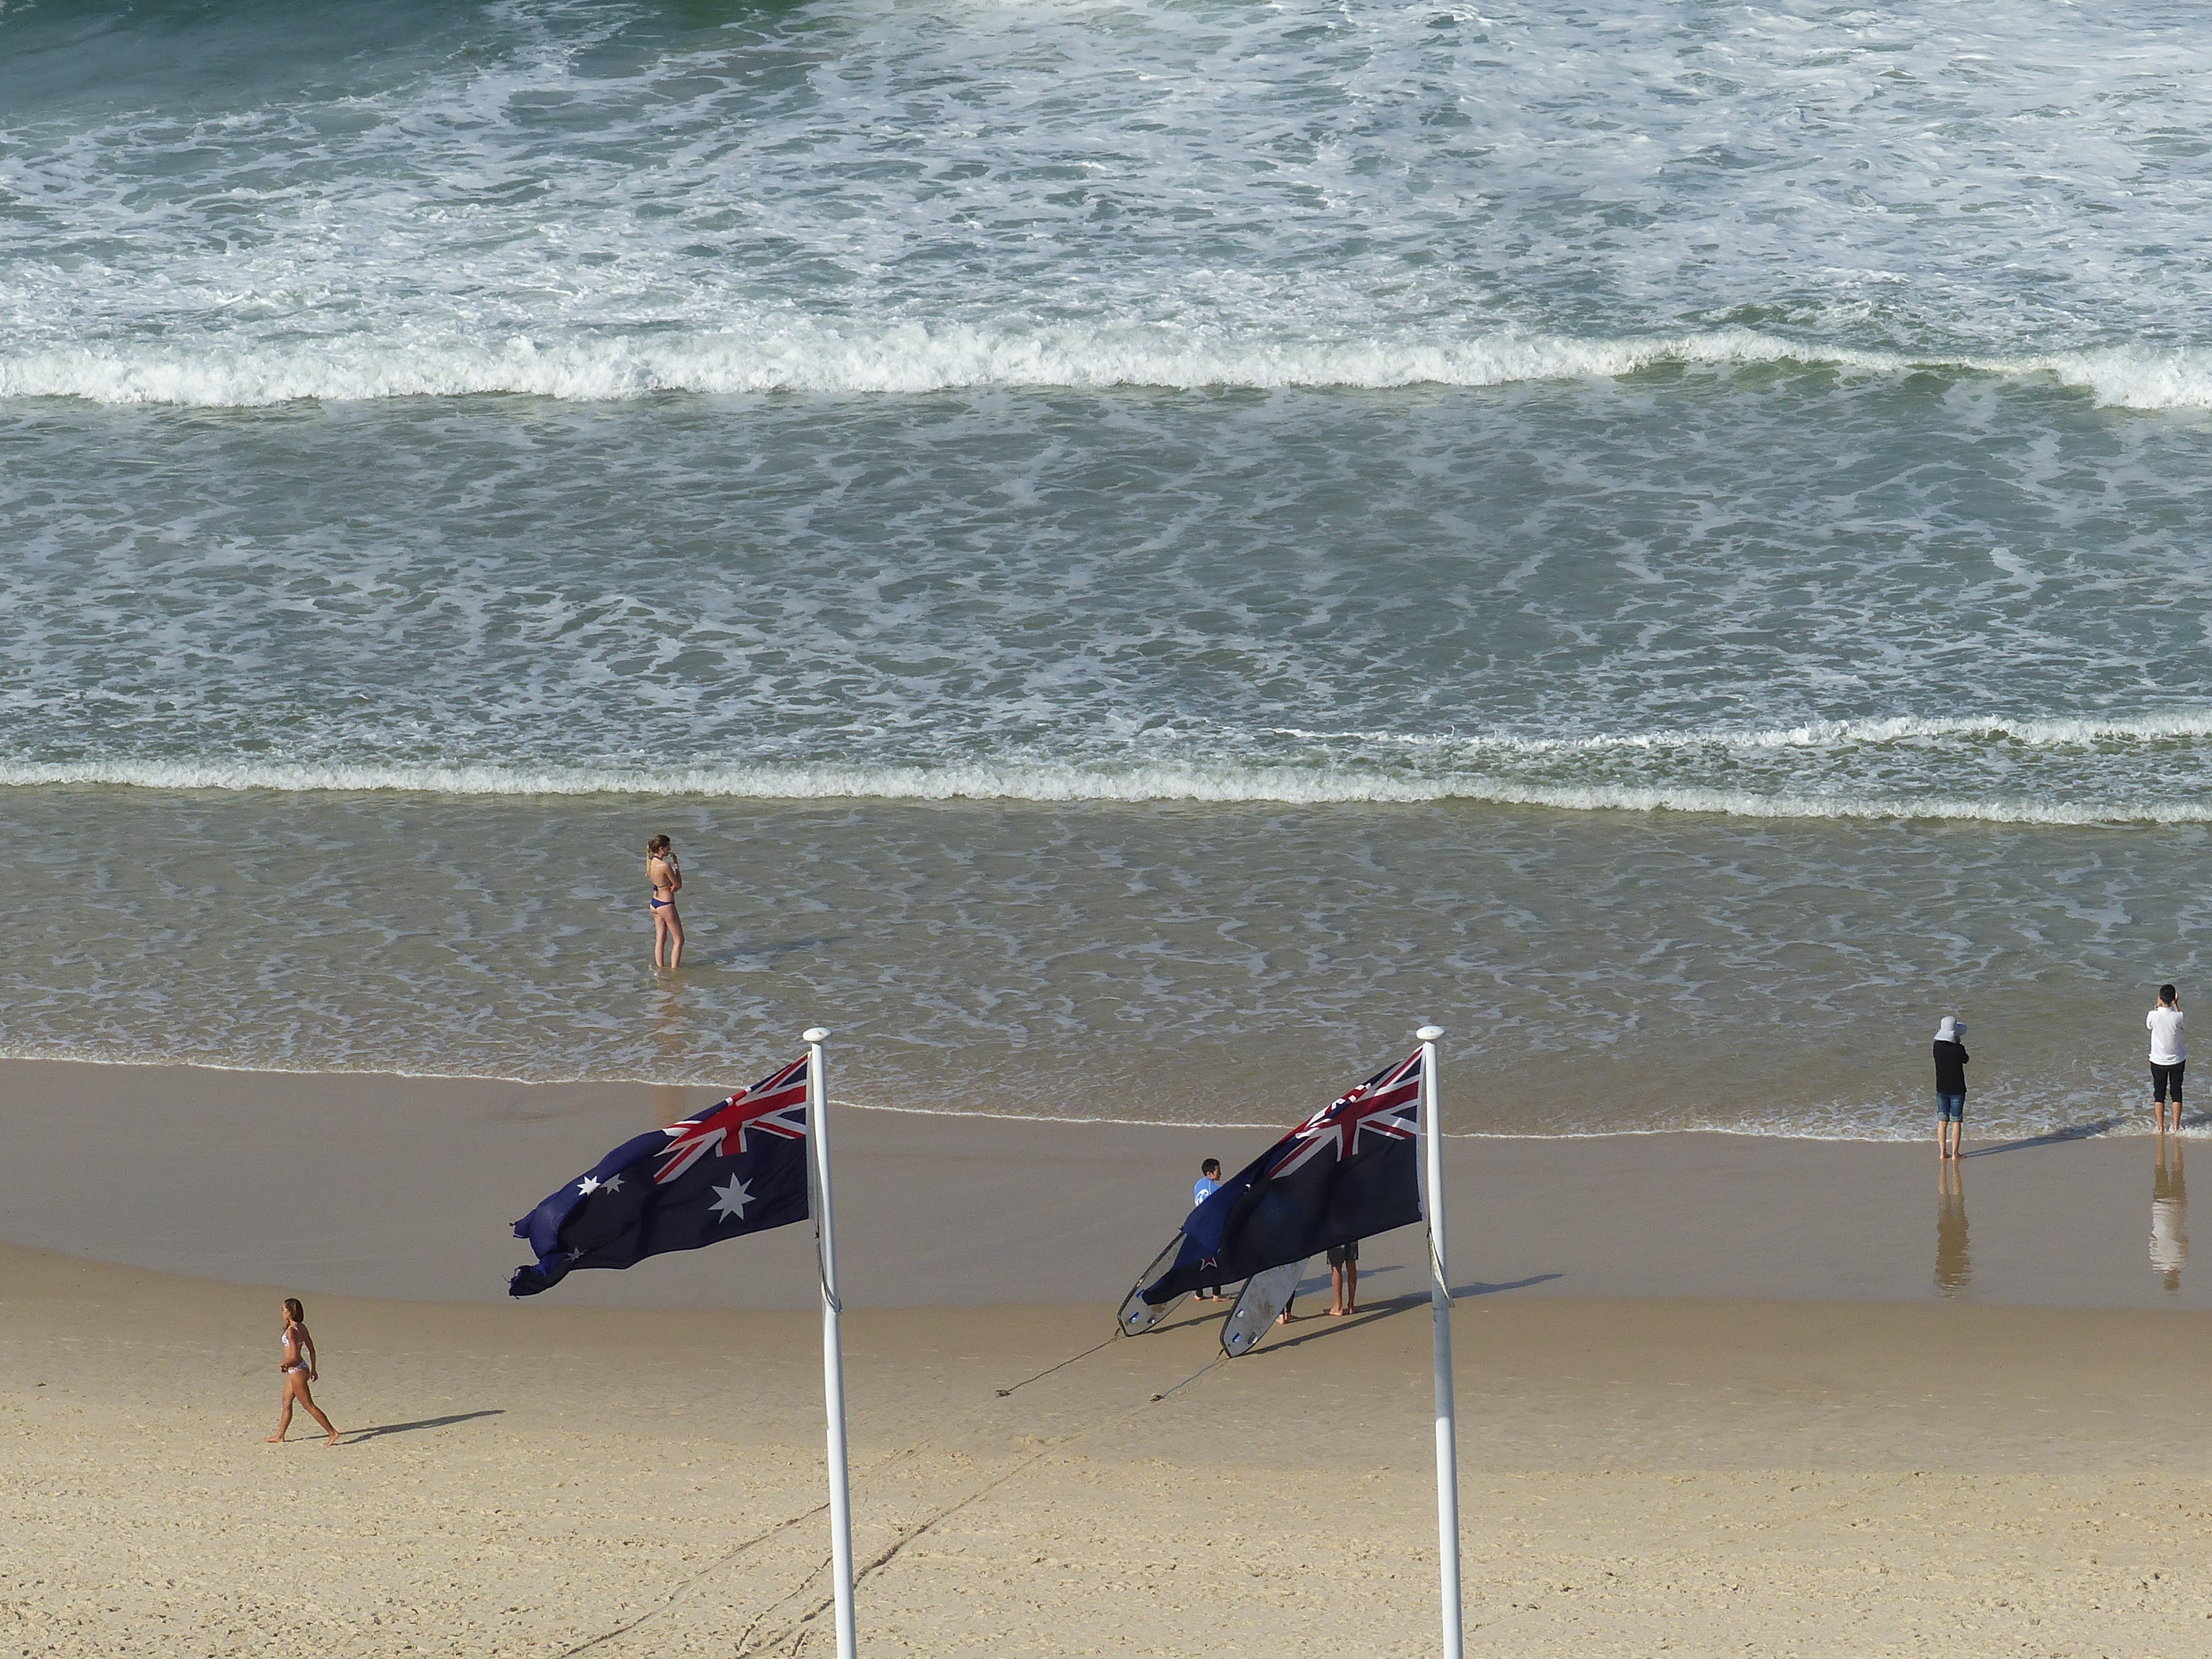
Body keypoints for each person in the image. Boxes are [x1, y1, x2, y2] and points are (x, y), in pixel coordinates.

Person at [267, 1297, 339, 1447]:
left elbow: (294, 1357)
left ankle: (332, 1433)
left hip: (297, 1371)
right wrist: (313, 1368)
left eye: (284, 1310)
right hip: (301, 1368)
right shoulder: (302, 1327)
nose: (282, 1312)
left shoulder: (292, 1332)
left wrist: (283, 1364)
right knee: (286, 1400)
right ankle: (280, 1435)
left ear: (291, 1313)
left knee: (309, 1405)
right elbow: (311, 1349)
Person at [2148, 983, 2186, 1135]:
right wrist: (2176, 1005)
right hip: (2177, 1060)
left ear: (2160, 998)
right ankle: (2176, 1127)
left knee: (2159, 1093)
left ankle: (2161, 1128)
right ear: (2174, 998)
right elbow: (2182, 1024)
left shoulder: (2153, 1015)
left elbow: (2149, 1026)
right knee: (2176, 1092)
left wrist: (2157, 1006)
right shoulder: (2179, 1016)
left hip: (2158, 1060)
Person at [2152, 1135, 2188, 1293]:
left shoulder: (2182, 1260)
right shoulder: (2156, 1260)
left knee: (2178, 1172)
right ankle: (2169, 1139)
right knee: (2160, 1170)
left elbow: (2185, 1239)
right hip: (2160, 1207)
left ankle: (2165, 1138)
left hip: (2177, 1206)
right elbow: (2152, 1237)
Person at [646, 834, 685, 971]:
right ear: (662, 849)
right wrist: (677, 867)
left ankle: (660, 969)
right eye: (668, 847)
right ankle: (674, 971)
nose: (670, 849)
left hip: (655, 902)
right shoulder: (665, 865)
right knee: (679, 940)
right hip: (666, 904)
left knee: (660, 939)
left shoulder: (651, 863)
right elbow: (678, 885)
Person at [1933, 1015, 1968, 1160]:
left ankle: (1943, 1152)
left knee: (1943, 1121)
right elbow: (1966, 1060)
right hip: (1957, 1089)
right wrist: (1958, 1043)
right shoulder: (1959, 1048)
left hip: (1941, 1088)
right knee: (1956, 1121)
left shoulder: (1937, 1047)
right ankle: (1955, 1153)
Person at [1192, 1159, 1225, 1301]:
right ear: (1210, 1173)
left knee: (1199, 1261)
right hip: (1211, 1230)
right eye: (1218, 1170)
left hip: (1197, 1227)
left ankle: (1199, 1294)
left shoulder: (1198, 1185)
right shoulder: (1215, 1189)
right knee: (1215, 1260)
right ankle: (1216, 1294)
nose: (1221, 1173)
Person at [1326, 1238, 1360, 1316]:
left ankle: (1339, 1306)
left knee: (1336, 1267)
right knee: (1351, 1264)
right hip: (1352, 1231)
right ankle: (1351, 1305)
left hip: (1336, 1234)